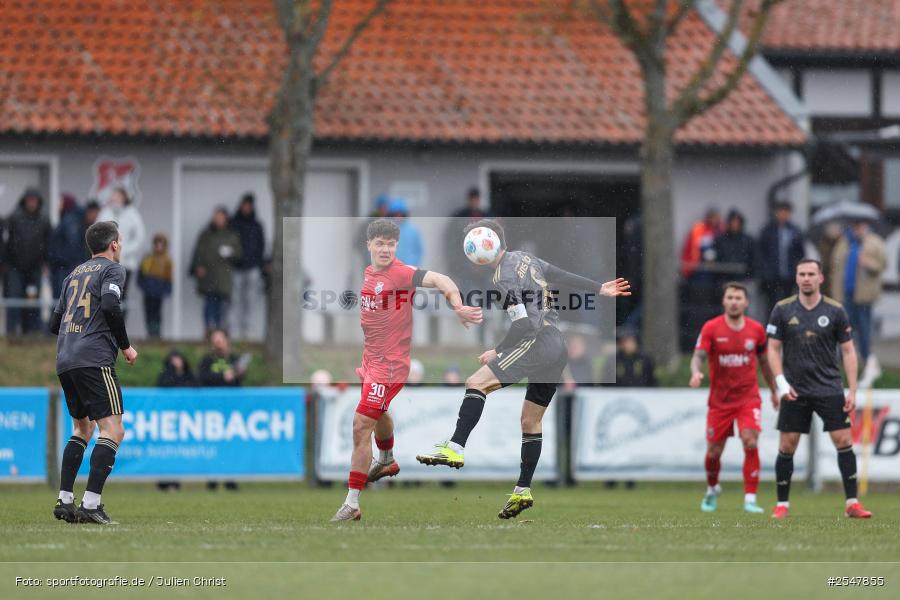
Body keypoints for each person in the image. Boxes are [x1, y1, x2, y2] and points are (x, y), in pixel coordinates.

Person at [415, 219, 630, 519]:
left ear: (480, 252)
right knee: (531, 420)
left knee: (476, 382)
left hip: (537, 341)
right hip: (557, 346)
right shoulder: (525, 258)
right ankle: (522, 490)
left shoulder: (502, 276)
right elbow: (559, 274)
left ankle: (455, 447)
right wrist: (598, 288)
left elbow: (522, 325)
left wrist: (498, 350)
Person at [330, 218, 483, 522]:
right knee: (378, 413)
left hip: (389, 366)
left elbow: (442, 280)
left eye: (391, 244)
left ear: (396, 246)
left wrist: (457, 306)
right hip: (371, 362)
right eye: (380, 243)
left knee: (361, 425)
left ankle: (352, 502)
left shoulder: (401, 273)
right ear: (369, 245)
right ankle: (387, 459)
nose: (385, 249)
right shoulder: (370, 272)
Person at [766, 258, 871, 519]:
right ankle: (782, 505)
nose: (806, 279)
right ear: (796, 277)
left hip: (829, 387)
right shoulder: (782, 309)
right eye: (802, 274)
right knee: (787, 444)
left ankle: (852, 503)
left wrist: (852, 390)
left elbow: (848, 351)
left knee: (844, 440)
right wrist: (781, 383)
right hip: (795, 389)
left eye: (811, 274)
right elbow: (772, 349)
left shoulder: (835, 310)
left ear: (820, 278)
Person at [50, 221, 138, 525]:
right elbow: (111, 305)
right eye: (120, 241)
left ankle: (65, 500)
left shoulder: (73, 274)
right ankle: (91, 504)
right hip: (93, 358)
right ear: (113, 245)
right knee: (113, 430)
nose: (120, 246)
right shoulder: (113, 269)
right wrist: (125, 346)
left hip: (66, 357)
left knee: (82, 429)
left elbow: (55, 323)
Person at [690, 282, 776, 514]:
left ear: (746, 303)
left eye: (738, 298)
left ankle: (750, 499)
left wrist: (774, 391)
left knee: (750, 440)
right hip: (720, 402)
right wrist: (696, 372)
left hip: (748, 398)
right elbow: (698, 355)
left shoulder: (756, 330)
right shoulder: (711, 328)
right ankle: (712, 488)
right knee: (714, 452)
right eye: (730, 298)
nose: (734, 302)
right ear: (724, 301)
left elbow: (765, 363)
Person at [830, 220, 886, 364]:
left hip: (864, 295)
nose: (857, 229)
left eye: (860, 226)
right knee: (845, 328)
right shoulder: (844, 242)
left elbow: (882, 265)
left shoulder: (874, 242)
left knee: (864, 328)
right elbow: (835, 264)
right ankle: (843, 358)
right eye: (855, 226)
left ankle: (866, 358)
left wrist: (867, 262)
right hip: (845, 294)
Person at [4, 188, 51, 335]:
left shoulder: (44, 220)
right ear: (24, 201)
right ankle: (12, 331)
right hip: (15, 268)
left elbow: (48, 243)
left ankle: (31, 331)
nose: (32, 203)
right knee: (14, 298)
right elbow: (6, 243)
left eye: (34, 201)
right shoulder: (14, 218)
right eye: (29, 200)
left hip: (35, 269)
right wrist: (5, 263)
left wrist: (46, 262)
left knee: (32, 301)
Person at [190, 207, 242, 332]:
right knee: (209, 303)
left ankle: (219, 332)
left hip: (223, 276)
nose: (218, 219)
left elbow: (239, 255)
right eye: (216, 217)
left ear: (225, 218)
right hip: (208, 275)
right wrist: (197, 266)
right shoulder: (206, 234)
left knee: (221, 306)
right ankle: (209, 330)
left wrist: (230, 253)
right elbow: (198, 252)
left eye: (220, 217)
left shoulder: (231, 235)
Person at [97, 187, 145, 317]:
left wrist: (124, 250)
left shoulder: (132, 214)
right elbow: (96, 233)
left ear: (124, 198)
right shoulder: (105, 213)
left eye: (117, 196)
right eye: (113, 196)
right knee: (106, 294)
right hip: (106, 263)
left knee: (121, 295)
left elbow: (139, 237)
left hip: (125, 264)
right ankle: (106, 323)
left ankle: (119, 323)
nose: (114, 199)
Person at [758, 200, 805, 318]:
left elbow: (800, 252)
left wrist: (797, 269)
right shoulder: (768, 230)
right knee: (771, 305)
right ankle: (772, 326)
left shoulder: (794, 231)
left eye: (786, 212)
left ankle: (786, 327)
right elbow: (761, 253)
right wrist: (765, 272)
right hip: (772, 276)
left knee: (789, 304)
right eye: (781, 212)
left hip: (789, 275)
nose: (783, 215)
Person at [231, 193, 265, 339]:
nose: (246, 208)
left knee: (250, 300)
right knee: (234, 300)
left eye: (249, 206)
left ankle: (247, 330)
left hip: (252, 268)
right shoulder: (233, 224)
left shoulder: (257, 225)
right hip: (236, 268)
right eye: (244, 205)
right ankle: (233, 330)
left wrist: (258, 263)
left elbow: (261, 246)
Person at [48, 194, 85, 298]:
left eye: (60, 202)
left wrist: (58, 258)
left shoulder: (70, 220)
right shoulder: (68, 219)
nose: (58, 205)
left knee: (63, 297)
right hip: (64, 266)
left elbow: (72, 245)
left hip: (65, 268)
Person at [137, 233, 173, 338]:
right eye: (157, 244)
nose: (159, 247)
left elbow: (168, 276)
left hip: (158, 291)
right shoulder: (148, 258)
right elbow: (141, 273)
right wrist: (143, 285)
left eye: (161, 244)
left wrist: (167, 289)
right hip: (149, 289)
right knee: (149, 312)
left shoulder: (167, 260)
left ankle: (156, 333)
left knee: (157, 312)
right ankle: (150, 332)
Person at [713, 209, 755, 285]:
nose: (735, 224)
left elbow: (754, 260)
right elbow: (716, 259)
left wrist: (750, 277)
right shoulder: (720, 239)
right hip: (724, 280)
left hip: (743, 279)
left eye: (737, 222)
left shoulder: (748, 240)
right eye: (733, 222)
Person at [387, 198, 423, 267]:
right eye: (395, 215)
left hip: (408, 268)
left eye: (400, 215)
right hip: (391, 268)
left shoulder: (413, 231)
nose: (398, 217)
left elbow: (418, 250)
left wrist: (414, 264)